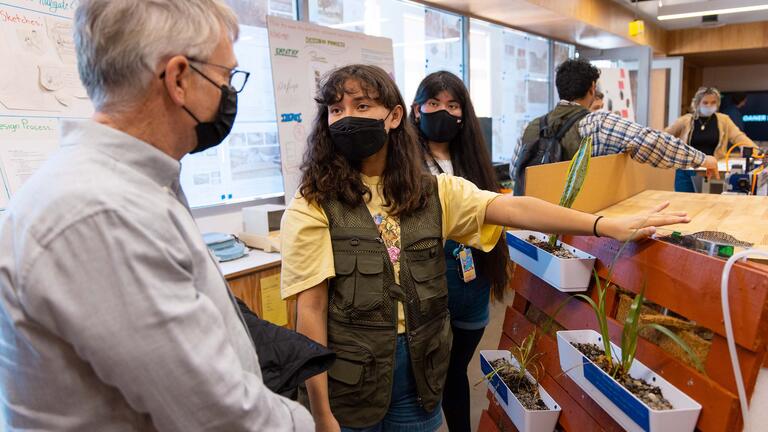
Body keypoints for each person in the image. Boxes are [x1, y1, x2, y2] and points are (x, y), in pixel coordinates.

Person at [280, 64, 692, 432]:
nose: (346, 118)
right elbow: (310, 311)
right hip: (350, 375)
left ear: (394, 115)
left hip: (420, 371)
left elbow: (514, 207)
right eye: (336, 110)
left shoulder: (433, 191)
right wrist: (320, 413)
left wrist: (604, 226)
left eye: (362, 106)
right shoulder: (314, 203)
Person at [0, 1, 312, 430]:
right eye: (226, 77)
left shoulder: (135, 185)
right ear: (179, 77)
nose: (229, 92)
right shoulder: (103, 213)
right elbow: (218, 415)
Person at [408, 71, 509, 432]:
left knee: (455, 368)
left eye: (452, 105)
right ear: (416, 109)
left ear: (463, 114)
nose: (443, 112)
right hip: (426, 281)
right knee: (428, 370)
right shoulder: (402, 160)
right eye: (433, 103)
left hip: (472, 278)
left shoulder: (474, 161)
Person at [511, 58, 719, 195]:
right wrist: (702, 159)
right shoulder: (598, 123)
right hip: (574, 224)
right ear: (592, 88)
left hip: (531, 222)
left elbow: (515, 171)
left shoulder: (532, 126)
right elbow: (651, 142)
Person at [665, 87, 758, 192]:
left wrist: (757, 152)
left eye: (713, 102)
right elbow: (665, 137)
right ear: (697, 103)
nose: (709, 105)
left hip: (712, 170)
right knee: (684, 203)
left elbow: (739, 137)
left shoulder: (724, 120)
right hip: (686, 170)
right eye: (705, 102)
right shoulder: (685, 120)